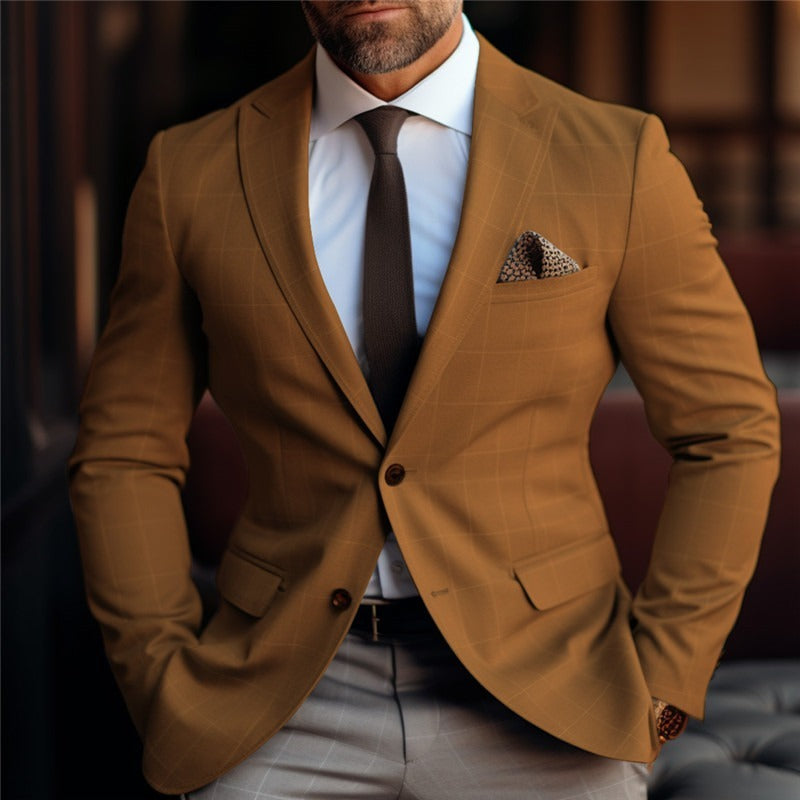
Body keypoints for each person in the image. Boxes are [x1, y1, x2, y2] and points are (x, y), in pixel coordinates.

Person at [69, 2, 780, 798]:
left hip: (549, 690)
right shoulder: (190, 171)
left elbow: (728, 428)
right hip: (277, 692)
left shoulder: (616, 157)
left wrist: (666, 688)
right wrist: (158, 678)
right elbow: (122, 450)